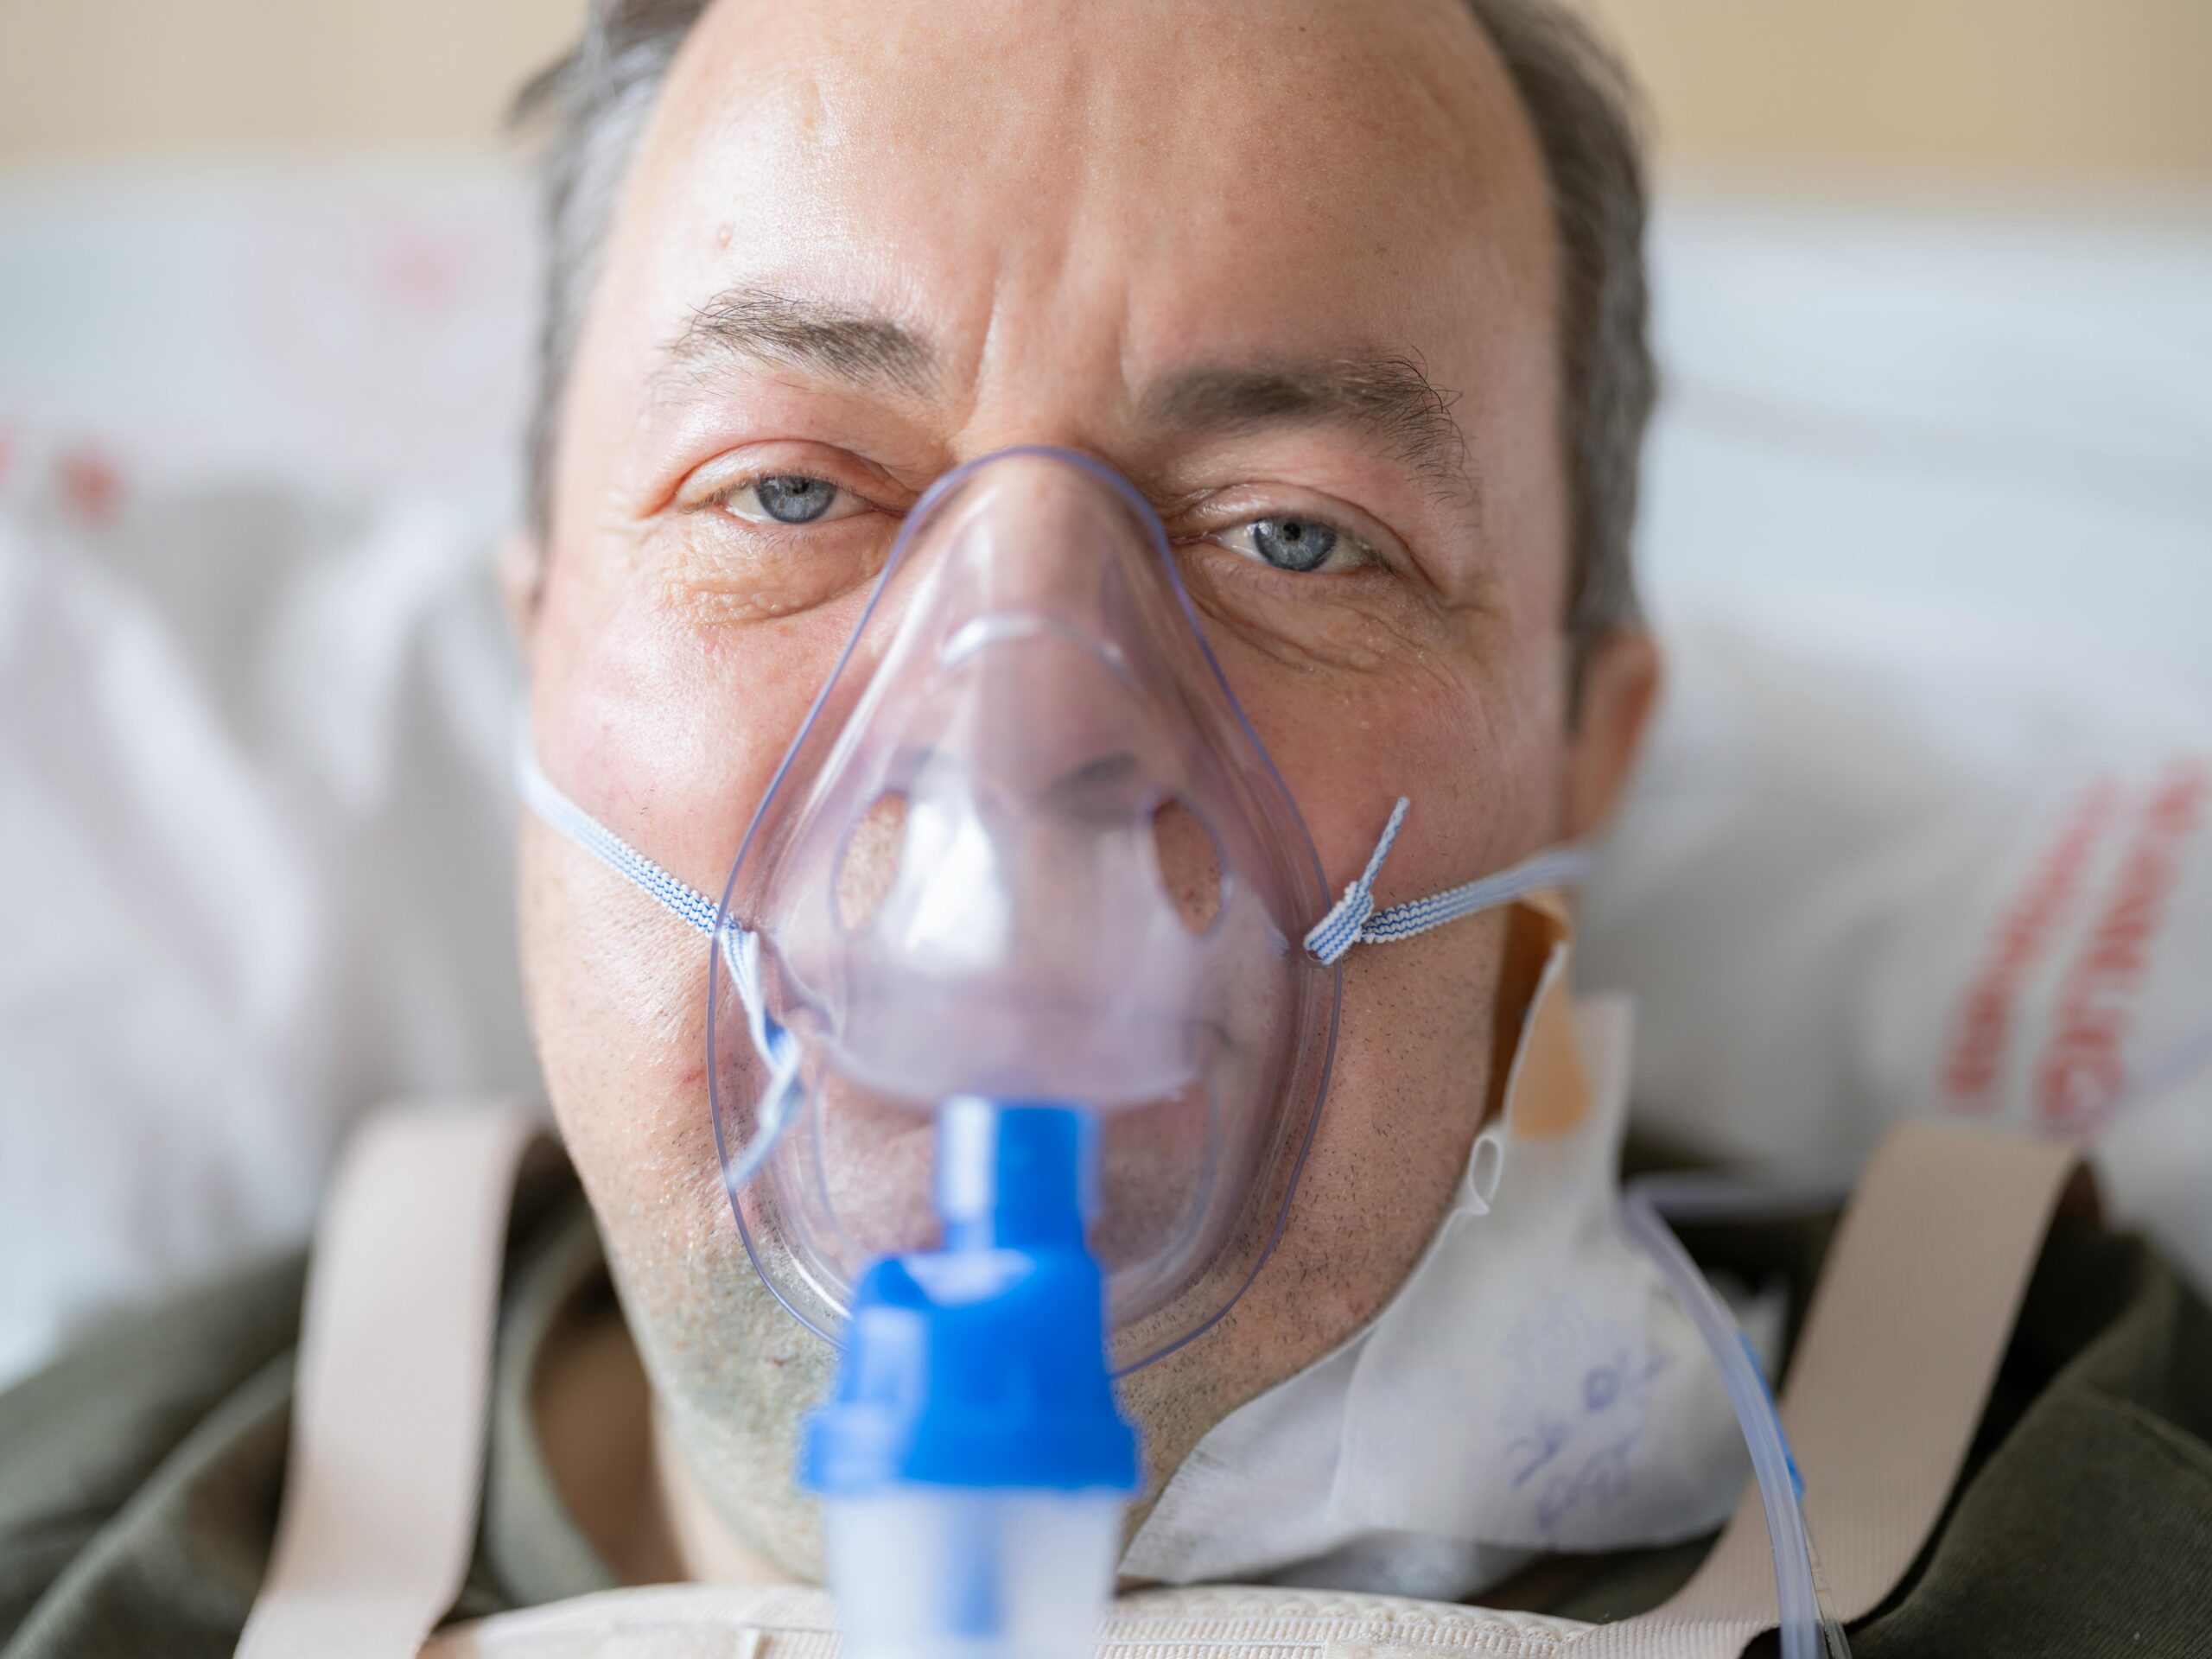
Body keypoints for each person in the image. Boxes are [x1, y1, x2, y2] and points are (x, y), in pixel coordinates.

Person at [3, 2, 2207, 1656]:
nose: (1020, 731)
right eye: (789, 490)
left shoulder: (2082, 1514)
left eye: (1292, 537)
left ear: (1582, 756)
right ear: (538, 655)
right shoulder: (102, 1547)